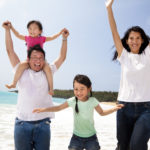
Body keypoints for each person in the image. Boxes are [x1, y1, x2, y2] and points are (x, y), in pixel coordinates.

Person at [2, 21, 69, 150]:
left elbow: (62, 57)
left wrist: (64, 39)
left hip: (43, 124)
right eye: (34, 57)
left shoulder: (47, 71)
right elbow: (10, 51)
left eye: (41, 58)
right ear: (28, 59)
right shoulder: (21, 71)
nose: (37, 60)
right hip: (22, 124)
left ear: (44, 60)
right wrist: (7, 30)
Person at [33, 74, 123, 150]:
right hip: (76, 138)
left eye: (82, 89)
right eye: (76, 89)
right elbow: (58, 108)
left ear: (89, 88)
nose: (78, 92)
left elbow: (102, 113)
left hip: (91, 138)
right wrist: (43, 109)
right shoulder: (72, 101)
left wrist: (114, 108)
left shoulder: (93, 101)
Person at [105, 0, 150, 150]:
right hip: (123, 106)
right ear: (127, 40)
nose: (135, 41)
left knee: (137, 145)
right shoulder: (123, 55)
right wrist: (109, 8)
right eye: (131, 38)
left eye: (138, 38)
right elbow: (114, 31)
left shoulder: (148, 54)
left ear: (143, 40)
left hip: (146, 108)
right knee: (123, 146)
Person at [5, 20, 65, 95]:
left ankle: (51, 88)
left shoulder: (42, 38)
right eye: (30, 28)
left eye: (35, 29)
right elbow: (17, 34)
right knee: (21, 66)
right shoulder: (27, 38)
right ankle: (14, 83)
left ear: (40, 31)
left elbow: (52, 37)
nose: (32, 31)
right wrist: (11, 27)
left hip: (41, 61)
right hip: (29, 60)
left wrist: (60, 33)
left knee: (48, 70)